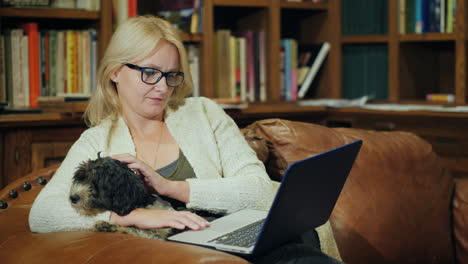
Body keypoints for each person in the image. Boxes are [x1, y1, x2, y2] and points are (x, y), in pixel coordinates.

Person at [29, 15, 343, 264]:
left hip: (234, 239)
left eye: (171, 75)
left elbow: (258, 189)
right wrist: (134, 216)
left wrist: (172, 187)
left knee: (298, 246)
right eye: (149, 73)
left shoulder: (203, 113)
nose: (163, 88)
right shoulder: (95, 141)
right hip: (176, 255)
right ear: (115, 71)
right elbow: (42, 213)